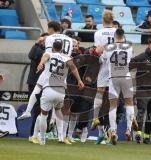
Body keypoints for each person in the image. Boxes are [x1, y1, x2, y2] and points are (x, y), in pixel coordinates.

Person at [34, 41, 84, 145]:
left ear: (52, 47)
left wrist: (40, 64)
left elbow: (44, 58)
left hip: (48, 89)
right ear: (62, 48)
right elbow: (74, 68)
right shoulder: (67, 58)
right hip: (60, 91)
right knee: (58, 111)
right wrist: (79, 80)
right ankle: (61, 137)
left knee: (44, 115)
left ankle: (42, 139)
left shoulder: (49, 54)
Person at [101, 28, 134, 145]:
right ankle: (129, 130)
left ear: (114, 36)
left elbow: (103, 60)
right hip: (126, 77)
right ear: (123, 36)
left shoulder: (107, 47)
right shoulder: (129, 46)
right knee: (129, 103)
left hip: (113, 77)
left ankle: (113, 131)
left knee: (113, 105)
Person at [90, 10, 117, 144]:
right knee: (113, 101)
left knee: (99, 93)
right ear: (113, 19)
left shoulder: (98, 33)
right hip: (116, 65)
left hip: (104, 64)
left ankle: (95, 118)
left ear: (102, 19)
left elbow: (97, 51)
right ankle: (113, 132)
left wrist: (94, 52)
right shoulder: (118, 31)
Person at [26, 33, 49, 139]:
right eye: (44, 40)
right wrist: (36, 43)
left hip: (46, 84)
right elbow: (31, 56)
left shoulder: (50, 52)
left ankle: (40, 133)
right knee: (36, 108)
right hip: (34, 82)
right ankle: (32, 134)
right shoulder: (38, 49)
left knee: (44, 109)